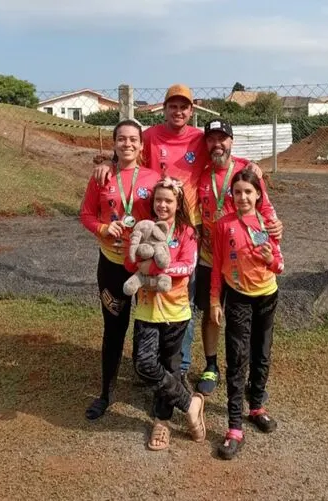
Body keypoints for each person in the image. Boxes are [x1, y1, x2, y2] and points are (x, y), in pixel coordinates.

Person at [91, 83, 279, 388]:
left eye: (184, 107)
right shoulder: (150, 135)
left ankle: (180, 365)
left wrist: (250, 165)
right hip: (156, 228)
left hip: (190, 231)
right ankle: (147, 361)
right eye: (173, 106)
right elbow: (130, 155)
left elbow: (224, 156)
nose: (178, 112)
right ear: (165, 109)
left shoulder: (199, 138)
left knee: (183, 298)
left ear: (192, 111)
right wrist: (108, 164)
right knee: (149, 293)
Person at [79, 119, 160, 420]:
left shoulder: (154, 179)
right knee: (113, 330)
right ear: (114, 144)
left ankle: (156, 390)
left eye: (133, 140)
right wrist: (102, 228)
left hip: (144, 268)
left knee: (151, 329)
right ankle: (106, 394)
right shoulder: (101, 177)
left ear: (141, 145)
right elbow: (86, 214)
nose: (127, 144)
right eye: (122, 139)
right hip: (111, 266)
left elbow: (167, 215)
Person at [193, 118, 280, 396]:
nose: (217, 144)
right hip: (210, 256)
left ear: (232, 141)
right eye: (211, 139)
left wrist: (274, 236)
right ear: (206, 143)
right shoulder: (201, 174)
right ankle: (211, 365)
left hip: (245, 261)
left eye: (223, 138)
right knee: (211, 311)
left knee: (247, 322)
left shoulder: (246, 171)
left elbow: (265, 211)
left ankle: (254, 379)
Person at [124, 176, 206, 450]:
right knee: (144, 363)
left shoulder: (188, 232)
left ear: (178, 203)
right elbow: (129, 260)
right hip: (147, 310)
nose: (162, 205)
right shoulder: (143, 228)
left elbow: (187, 267)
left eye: (168, 200)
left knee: (171, 367)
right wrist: (139, 260)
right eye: (158, 200)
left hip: (175, 311)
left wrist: (158, 269)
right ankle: (190, 404)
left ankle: (161, 423)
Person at [209, 168, 284, 460]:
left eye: (248, 192)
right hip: (237, 298)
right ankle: (234, 427)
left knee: (262, 353)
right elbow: (216, 266)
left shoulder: (269, 224)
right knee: (237, 357)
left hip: (267, 297)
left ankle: (256, 407)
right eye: (237, 192)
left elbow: (279, 264)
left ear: (258, 195)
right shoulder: (223, 224)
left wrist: (271, 260)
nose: (242, 197)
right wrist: (215, 301)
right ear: (232, 195)